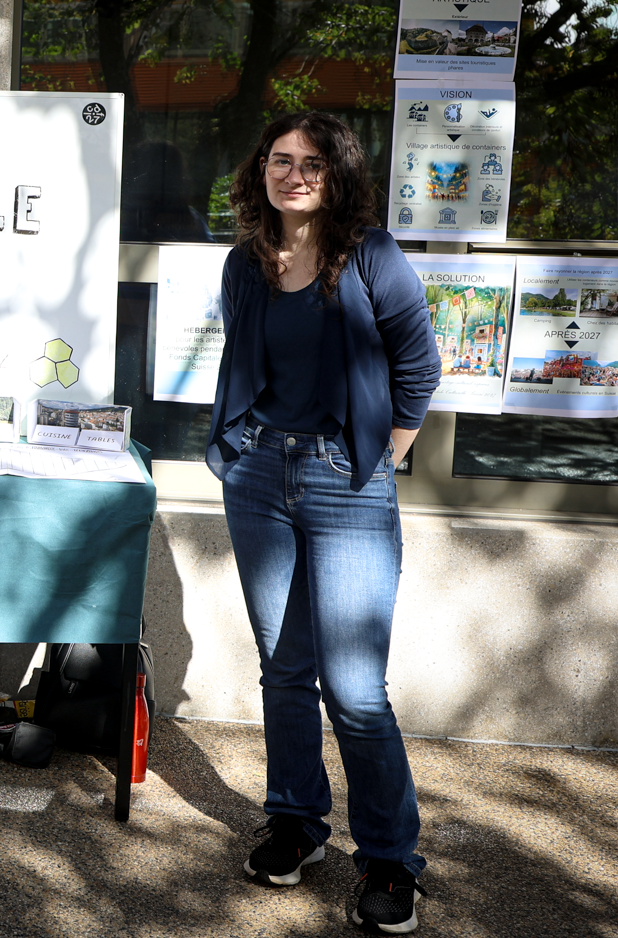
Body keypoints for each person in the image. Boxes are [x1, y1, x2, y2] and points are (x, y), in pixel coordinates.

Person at [205, 112, 441, 934]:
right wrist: (240, 449)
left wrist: (377, 459)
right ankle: (297, 823)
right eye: (280, 159)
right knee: (283, 668)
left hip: (347, 479)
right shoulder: (246, 262)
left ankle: (390, 858)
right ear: (260, 171)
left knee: (354, 689)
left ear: (336, 173)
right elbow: (244, 358)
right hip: (259, 474)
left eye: (311, 162)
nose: (294, 174)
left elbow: (419, 367)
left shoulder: (372, 255)